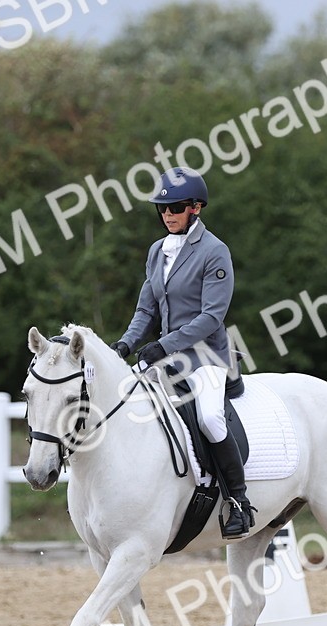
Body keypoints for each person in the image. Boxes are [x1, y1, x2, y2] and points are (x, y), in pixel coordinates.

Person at [110, 167, 255, 539]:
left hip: (206, 357)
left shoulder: (214, 251)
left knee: (209, 418)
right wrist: (125, 344)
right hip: (166, 358)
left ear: (196, 208)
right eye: (162, 208)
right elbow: (146, 310)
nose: (167, 215)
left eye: (174, 207)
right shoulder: (157, 251)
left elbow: (211, 317)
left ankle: (238, 502)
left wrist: (164, 344)